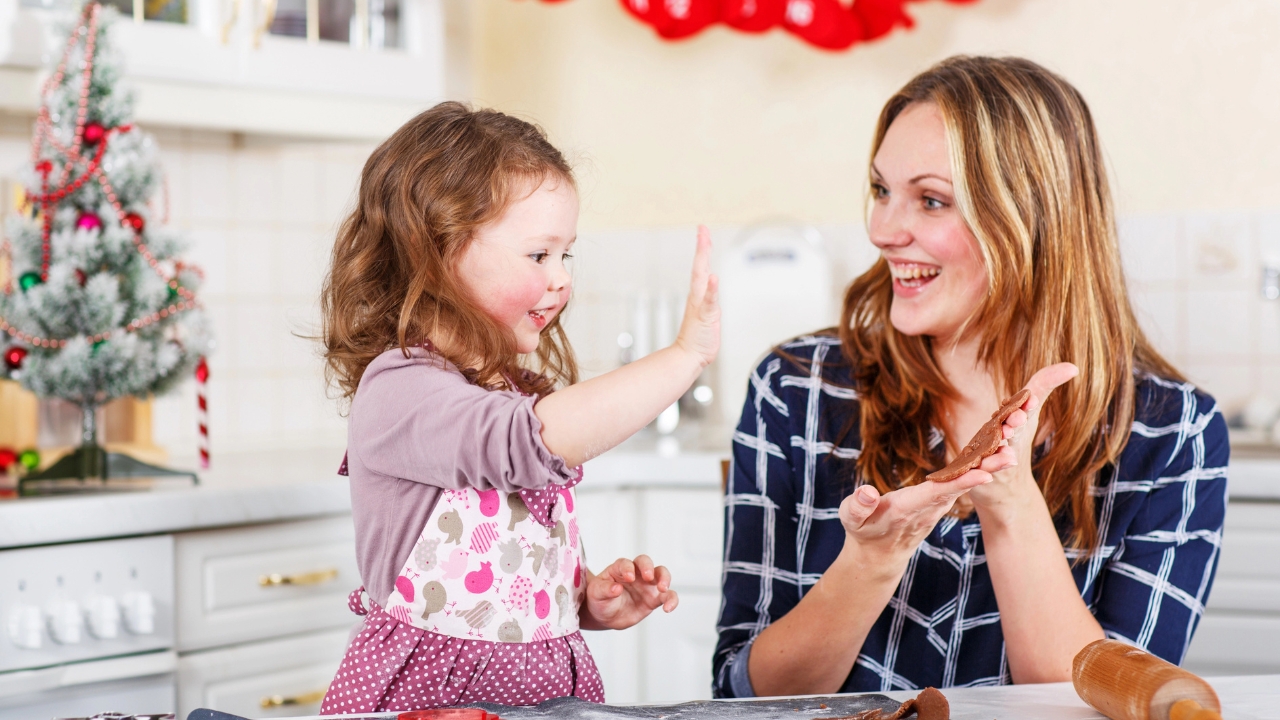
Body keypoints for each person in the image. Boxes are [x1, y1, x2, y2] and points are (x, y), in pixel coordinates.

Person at [714, 56, 1227, 696]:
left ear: (1034, 220)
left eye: (930, 200)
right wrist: (870, 563)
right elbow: (742, 693)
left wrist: (1009, 499)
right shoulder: (797, 387)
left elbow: (1116, 699)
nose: (882, 229)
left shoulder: (1172, 432)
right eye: (880, 191)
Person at [318, 102, 720, 712]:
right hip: (432, 704)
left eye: (568, 255)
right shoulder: (400, 390)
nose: (561, 279)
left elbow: (512, 577)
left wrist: (586, 599)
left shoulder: (510, 393)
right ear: (439, 250)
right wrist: (684, 356)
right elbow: (527, 443)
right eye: (539, 255)